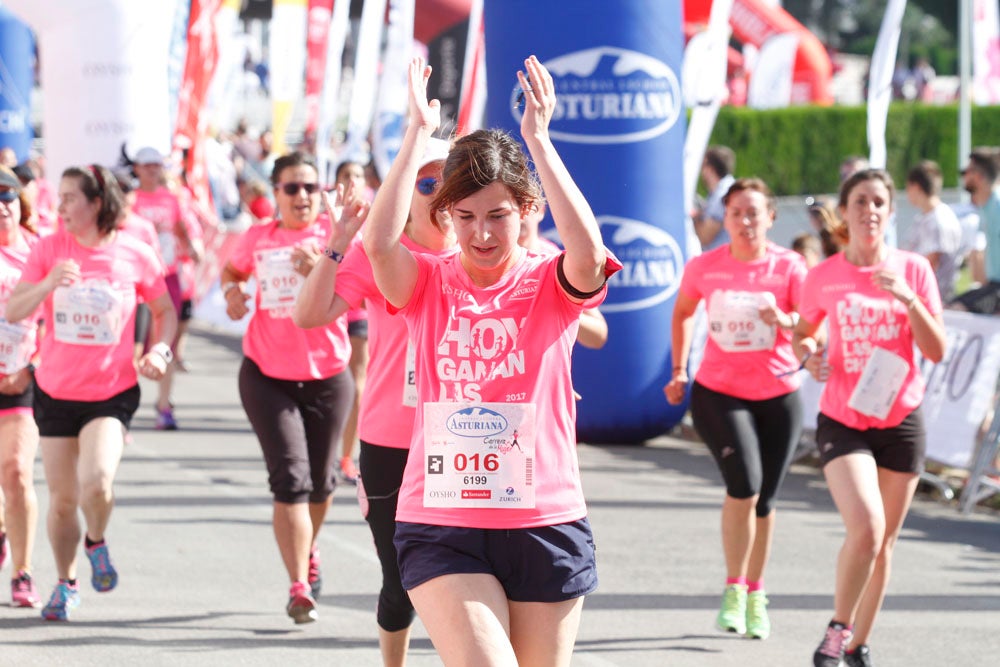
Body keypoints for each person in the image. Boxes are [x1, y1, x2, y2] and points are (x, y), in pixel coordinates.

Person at [361, 55, 618, 666]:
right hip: (442, 523)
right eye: (466, 216)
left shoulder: (550, 283)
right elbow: (377, 243)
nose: (481, 234)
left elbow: (588, 256)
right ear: (448, 215)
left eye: (497, 216)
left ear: (526, 211)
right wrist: (414, 139)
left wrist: (540, 142)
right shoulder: (425, 281)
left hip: (544, 518)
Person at [295, 137, 456, 666]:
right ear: (405, 192)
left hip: (468, 435)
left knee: (467, 574)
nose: (440, 194)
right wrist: (339, 240)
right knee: (401, 580)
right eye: (427, 182)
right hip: (391, 438)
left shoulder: (482, 249)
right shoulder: (378, 250)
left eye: (451, 181)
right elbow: (310, 315)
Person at [6, 164, 177, 621]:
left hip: (110, 391)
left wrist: (158, 350)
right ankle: (66, 583)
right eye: (58, 197)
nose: (58, 206)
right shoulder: (48, 249)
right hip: (56, 392)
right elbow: (14, 309)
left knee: (97, 481)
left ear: (97, 203)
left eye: (68, 198)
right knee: (62, 502)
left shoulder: (135, 253)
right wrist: (46, 283)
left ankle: (96, 539)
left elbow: (165, 310)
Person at [792, 169, 946, 667]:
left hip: (900, 419)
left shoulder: (913, 270)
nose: (870, 211)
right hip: (844, 418)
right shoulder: (826, 275)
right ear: (846, 211)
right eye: (860, 201)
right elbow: (804, 332)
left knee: (884, 544)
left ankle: (858, 645)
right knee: (867, 527)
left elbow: (936, 350)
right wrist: (810, 352)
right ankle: (839, 628)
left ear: (891, 210)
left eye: (879, 202)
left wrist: (908, 298)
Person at [665, 177, 807, 641]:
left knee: (765, 501)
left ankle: (756, 592)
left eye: (754, 213)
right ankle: (733, 587)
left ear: (770, 217)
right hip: (719, 392)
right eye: (735, 214)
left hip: (780, 394)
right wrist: (680, 368)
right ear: (724, 220)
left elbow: (811, 329)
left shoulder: (790, 267)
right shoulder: (706, 266)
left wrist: (786, 322)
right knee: (744, 486)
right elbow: (683, 311)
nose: (745, 222)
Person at [219, 151, 357, 625]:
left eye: (310, 188)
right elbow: (232, 272)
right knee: (291, 480)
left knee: (322, 483)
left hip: (327, 374)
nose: (302, 197)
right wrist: (233, 294)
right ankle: (299, 584)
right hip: (266, 374)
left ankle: (308, 546)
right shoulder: (257, 238)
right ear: (274, 193)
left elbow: (359, 291)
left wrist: (320, 268)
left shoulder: (335, 237)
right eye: (291, 188)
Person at [131, 146, 199, 429]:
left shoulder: (172, 198)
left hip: (165, 274)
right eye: (146, 165)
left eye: (156, 165)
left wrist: (193, 248)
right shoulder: (129, 199)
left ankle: (163, 405)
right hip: (134, 276)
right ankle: (125, 406)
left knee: (164, 342)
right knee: (133, 343)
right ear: (136, 168)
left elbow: (181, 228)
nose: (152, 170)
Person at [0, 165, 42, 607]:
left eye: (7, 196)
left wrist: (34, 363)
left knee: (15, 470)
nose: (0, 206)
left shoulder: (36, 253)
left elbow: (57, 318)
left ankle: (23, 571)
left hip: (21, 378)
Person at [518, 201, 608, 349]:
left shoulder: (559, 264)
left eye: (526, 207)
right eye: (511, 208)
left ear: (540, 210)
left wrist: (560, 309)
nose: (521, 216)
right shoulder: (480, 259)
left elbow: (598, 335)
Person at [333, 158, 372, 484]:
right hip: (329, 313)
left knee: (357, 383)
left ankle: (347, 455)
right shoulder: (324, 218)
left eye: (357, 174)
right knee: (334, 385)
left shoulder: (375, 217)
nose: (352, 180)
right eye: (346, 175)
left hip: (359, 313)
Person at [902, 160, 962, 301]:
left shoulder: (938, 220)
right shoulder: (927, 216)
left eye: (907, 188)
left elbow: (930, 263)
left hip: (931, 297)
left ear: (915, 187)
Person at [952, 148, 1000, 313]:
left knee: (957, 310)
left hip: (997, 290)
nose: (964, 177)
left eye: (966, 172)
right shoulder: (985, 208)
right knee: (947, 309)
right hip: (992, 287)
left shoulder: (998, 205)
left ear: (978, 176)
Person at [694, 146, 736, 251]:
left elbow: (705, 237)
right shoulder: (725, 191)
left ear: (710, 169)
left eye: (703, 165)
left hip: (721, 263)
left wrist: (694, 218)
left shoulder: (721, 197)